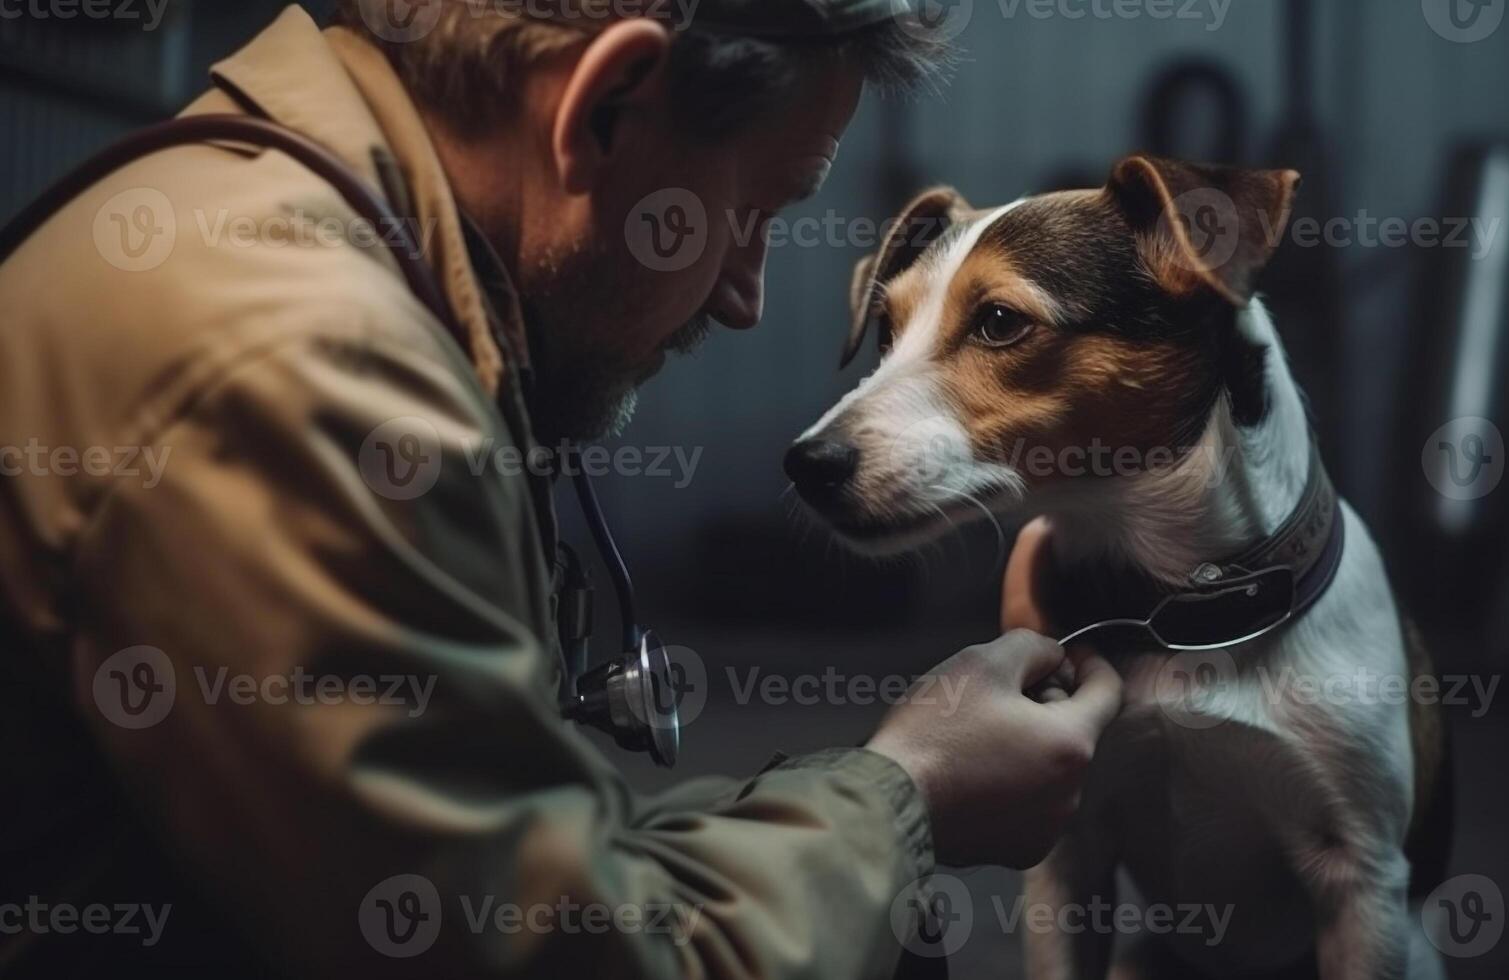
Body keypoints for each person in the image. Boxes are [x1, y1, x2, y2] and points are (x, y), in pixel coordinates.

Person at [0, 2, 1122, 976]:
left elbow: (486, 857)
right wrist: (909, 795)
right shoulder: (298, 370)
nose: (745, 293)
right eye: (759, 209)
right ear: (607, 104)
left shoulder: (281, 205)